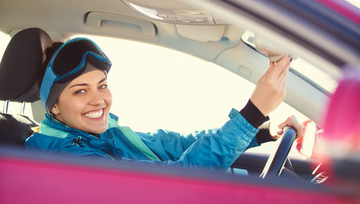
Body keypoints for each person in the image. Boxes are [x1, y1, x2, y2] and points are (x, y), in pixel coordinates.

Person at [25, 37, 303, 170]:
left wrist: (262, 132)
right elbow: (174, 182)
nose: (98, 99)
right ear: (54, 107)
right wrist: (252, 113)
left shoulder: (99, 133)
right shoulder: (67, 160)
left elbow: (178, 144)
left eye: (102, 85)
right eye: (79, 91)